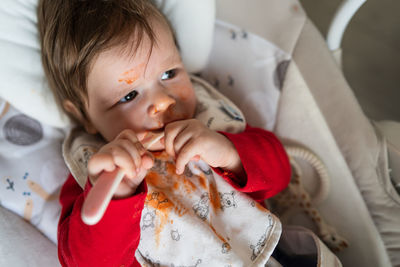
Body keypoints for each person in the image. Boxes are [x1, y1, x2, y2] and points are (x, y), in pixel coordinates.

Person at [38, 0, 291, 266]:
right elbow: (86, 262)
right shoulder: (94, 175)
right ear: (83, 115)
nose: (163, 101)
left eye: (169, 73)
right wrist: (116, 198)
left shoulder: (210, 123)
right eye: (129, 95)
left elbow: (281, 173)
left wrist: (229, 154)